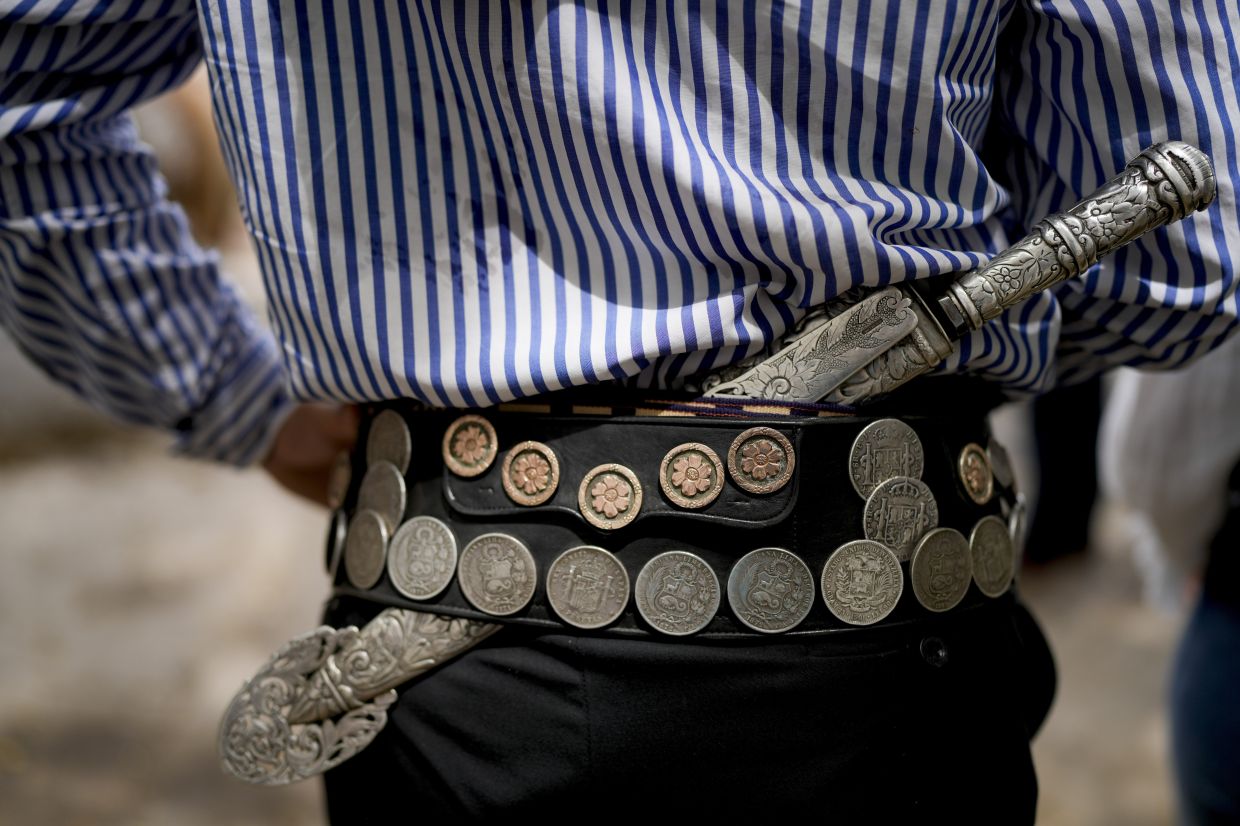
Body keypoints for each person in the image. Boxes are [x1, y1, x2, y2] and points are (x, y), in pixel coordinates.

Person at [2, 1, 1237, 821]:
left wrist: (243, 396)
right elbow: (1180, 260)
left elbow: (23, 103)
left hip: (457, 644)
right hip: (879, 638)